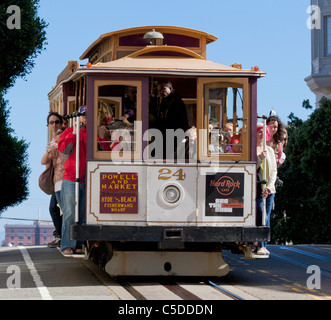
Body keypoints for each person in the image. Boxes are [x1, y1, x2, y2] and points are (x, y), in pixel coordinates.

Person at [58, 105, 87, 255]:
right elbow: (65, 150)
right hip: (70, 177)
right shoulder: (69, 132)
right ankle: (66, 244)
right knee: (69, 212)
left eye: (88, 116)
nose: (85, 118)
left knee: (82, 213)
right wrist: (75, 132)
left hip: (87, 177)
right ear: (78, 117)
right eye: (83, 115)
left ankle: (79, 243)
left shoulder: (91, 133)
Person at [41, 112, 64, 248]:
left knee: (55, 209)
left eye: (56, 122)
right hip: (57, 178)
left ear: (61, 123)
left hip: (64, 178)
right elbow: (44, 161)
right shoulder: (53, 140)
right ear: (48, 125)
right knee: (56, 209)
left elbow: (45, 159)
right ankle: (60, 234)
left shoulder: (62, 136)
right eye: (51, 123)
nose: (54, 125)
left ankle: (61, 235)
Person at [255, 123, 277, 256]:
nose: (261, 134)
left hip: (268, 189)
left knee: (266, 215)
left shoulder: (269, 150)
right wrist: (259, 158)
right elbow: (251, 167)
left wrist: (268, 188)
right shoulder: (251, 150)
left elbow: (274, 170)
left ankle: (263, 245)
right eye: (259, 132)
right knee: (259, 212)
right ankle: (257, 242)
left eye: (264, 132)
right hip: (256, 187)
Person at [154, 80, 189, 159]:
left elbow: (177, 123)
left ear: (170, 88)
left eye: (163, 89)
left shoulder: (177, 102)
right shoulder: (165, 101)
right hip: (165, 138)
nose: (160, 92)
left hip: (172, 139)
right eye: (159, 90)